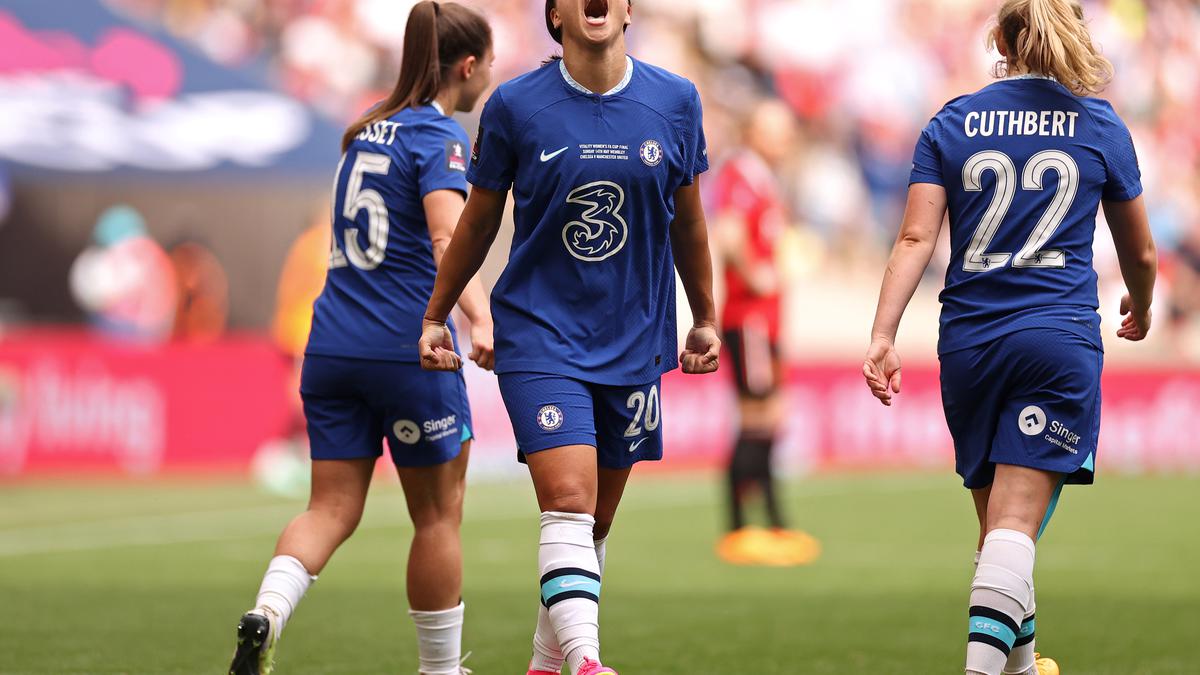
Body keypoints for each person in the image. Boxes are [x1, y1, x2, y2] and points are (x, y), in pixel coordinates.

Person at [418, 1, 720, 673]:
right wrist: (439, 311)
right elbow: (476, 223)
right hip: (540, 335)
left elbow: (689, 222)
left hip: (636, 340)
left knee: (595, 523)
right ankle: (587, 660)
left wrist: (703, 314)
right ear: (555, 14)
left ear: (629, 9)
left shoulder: (675, 101)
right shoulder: (516, 106)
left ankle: (546, 663)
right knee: (569, 502)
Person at [861, 1, 1157, 674]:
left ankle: (1024, 667)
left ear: (1000, 39)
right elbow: (1138, 253)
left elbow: (914, 237)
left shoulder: (952, 121)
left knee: (999, 530)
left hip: (968, 345)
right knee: (1013, 530)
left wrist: (882, 333)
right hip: (1055, 339)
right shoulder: (1099, 124)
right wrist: (1140, 303)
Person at [227, 3, 495, 674]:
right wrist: (483, 318)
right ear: (467, 66)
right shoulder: (440, 138)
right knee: (437, 516)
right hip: (408, 350)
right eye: (488, 62)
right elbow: (445, 239)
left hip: (332, 346)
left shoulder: (365, 131)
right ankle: (440, 669)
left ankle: (268, 610)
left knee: (329, 507)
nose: (491, 72)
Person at [710, 100, 820, 567]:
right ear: (752, 132)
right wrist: (757, 276)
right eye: (774, 130)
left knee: (769, 419)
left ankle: (771, 521)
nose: (784, 139)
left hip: (767, 321)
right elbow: (730, 235)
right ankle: (739, 527)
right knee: (756, 418)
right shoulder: (739, 175)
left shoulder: (764, 181)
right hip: (750, 319)